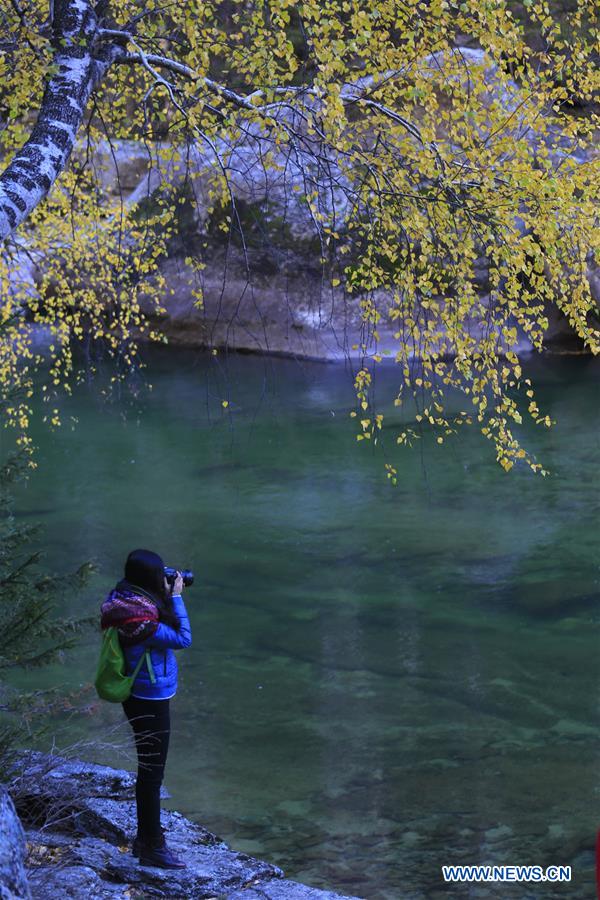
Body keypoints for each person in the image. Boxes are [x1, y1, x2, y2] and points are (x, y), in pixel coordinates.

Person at [100, 548, 192, 868]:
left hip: (137, 695)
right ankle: (152, 845)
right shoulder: (142, 622)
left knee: (149, 770)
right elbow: (183, 638)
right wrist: (175, 597)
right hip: (150, 697)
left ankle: (146, 839)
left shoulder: (124, 601)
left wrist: (163, 595)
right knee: (152, 774)